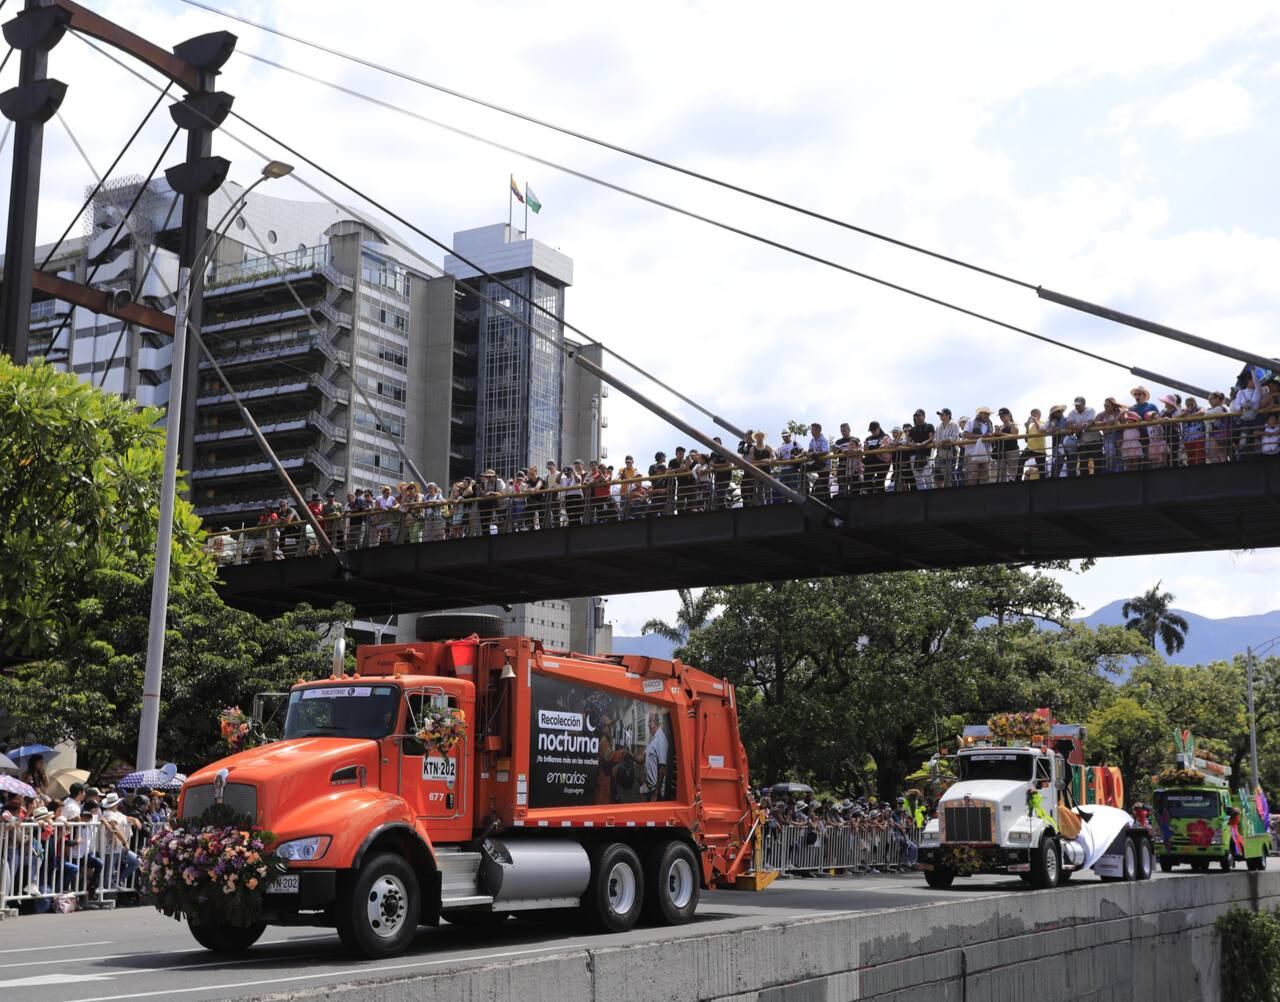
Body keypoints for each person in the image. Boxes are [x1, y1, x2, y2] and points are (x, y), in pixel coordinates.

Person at [639, 712, 670, 802]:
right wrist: (629, 754)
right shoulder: (653, 738)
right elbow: (643, 757)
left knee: (652, 816)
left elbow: (662, 768)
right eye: (648, 722)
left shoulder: (661, 739)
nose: (648, 725)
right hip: (649, 788)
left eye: (650, 722)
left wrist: (656, 792)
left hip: (655, 791)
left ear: (656, 723)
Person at [1065, 397, 1099, 476]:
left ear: (1084, 404)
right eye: (1076, 405)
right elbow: (1067, 424)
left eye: (1078, 405)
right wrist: (1080, 427)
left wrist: (1076, 427)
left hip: (1095, 440)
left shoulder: (1091, 410)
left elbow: (1090, 422)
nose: (1076, 407)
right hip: (1082, 441)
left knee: (1098, 462)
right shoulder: (1072, 412)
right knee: (1083, 464)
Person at [963, 407, 995, 485]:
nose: (987, 415)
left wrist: (991, 437)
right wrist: (982, 436)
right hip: (972, 453)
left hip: (985, 454)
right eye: (985, 413)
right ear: (980, 414)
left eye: (988, 414)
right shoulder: (971, 422)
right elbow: (966, 434)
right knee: (972, 476)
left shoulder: (990, 424)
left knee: (985, 476)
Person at [906, 410, 934, 491]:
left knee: (928, 475)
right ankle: (922, 495)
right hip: (914, 454)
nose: (917, 417)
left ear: (924, 416)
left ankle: (931, 494)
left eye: (919, 415)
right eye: (916, 416)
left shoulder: (929, 426)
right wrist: (913, 445)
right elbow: (908, 441)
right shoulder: (913, 429)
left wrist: (922, 444)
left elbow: (931, 438)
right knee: (918, 478)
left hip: (926, 454)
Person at [933, 409, 960, 488]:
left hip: (951, 450)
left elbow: (955, 437)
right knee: (939, 472)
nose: (940, 416)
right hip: (940, 451)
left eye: (942, 414)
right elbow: (935, 438)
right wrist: (937, 442)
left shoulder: (954, 424)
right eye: (940, 414)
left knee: (950, 472)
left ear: (948, 415)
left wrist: (942, 441)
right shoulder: (938, 426)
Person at [993, 408, 1020, 483]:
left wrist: (1000, 434)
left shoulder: (1013, 425)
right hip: (1001, 451)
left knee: (1013, 471)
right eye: (1000, 416)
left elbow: (1015, 435)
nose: (1002, 418)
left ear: (1008, 415)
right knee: (1001, 471)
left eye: (1003, 416)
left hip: (1012, 450)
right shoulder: (1000, 427)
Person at [805, 422, 831, 499]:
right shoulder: (812, 440)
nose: (811, 432)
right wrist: (806, 453)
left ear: (818, 430)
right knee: (803, 468)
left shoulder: (824, 440)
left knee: (824, 484)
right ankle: (806, 492)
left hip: (825, 465)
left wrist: (813, 453)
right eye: (811, 430)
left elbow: (825, 451)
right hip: (817, 464)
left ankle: (828, 499)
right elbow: (809, 451)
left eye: (813, 430)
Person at [863, 422, 891, 492]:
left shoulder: (885, 436)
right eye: (871, 430)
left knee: (880, 482)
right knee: (867, 480)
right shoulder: (868, 438)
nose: (872, 432)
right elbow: (865, 450)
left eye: (874, 430)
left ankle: (882, 499)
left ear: (878, 428)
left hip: (883, 462)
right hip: (870, 462)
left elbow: (886, 447)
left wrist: (875, 450)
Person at [1021, 408, 1046, 480]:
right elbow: (1026, 440)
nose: (1032, 417)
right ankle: (1018, 479)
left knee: (1041, 469)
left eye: (1033, 415)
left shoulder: (1043, 423)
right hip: (1030, 448)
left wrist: (1035, 421)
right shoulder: (1031, 426)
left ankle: (1043, 483)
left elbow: (1040, 430)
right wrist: (1026, 427)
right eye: (1031, 415)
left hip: (1040, 450)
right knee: (1020, 461)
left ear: (1039, 415)